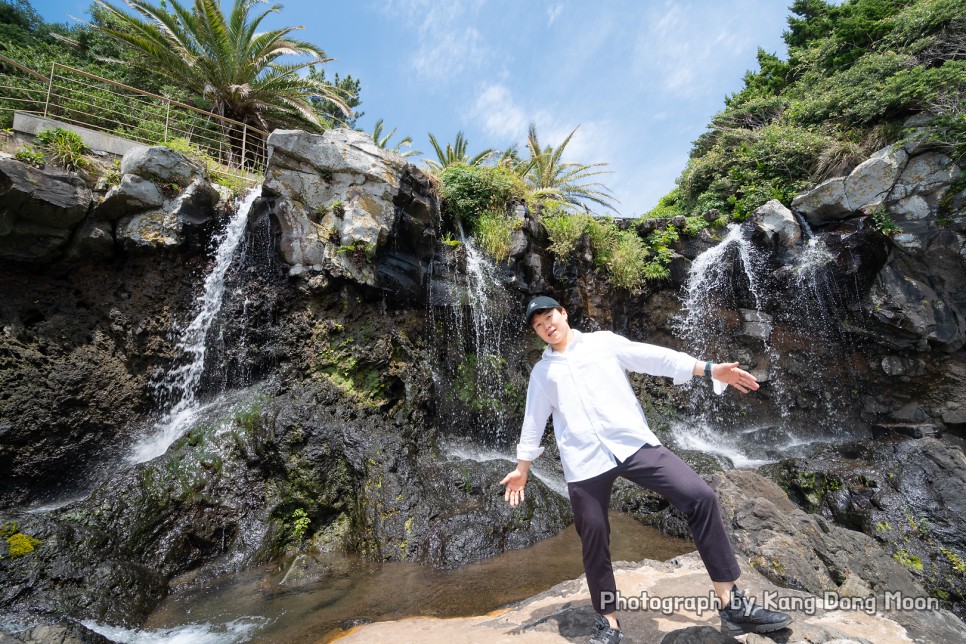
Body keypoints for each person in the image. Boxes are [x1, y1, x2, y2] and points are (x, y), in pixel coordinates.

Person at [500, 296, 792, 643]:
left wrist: (709, 369)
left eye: (550, 317)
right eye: (538, 325)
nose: (547, 326)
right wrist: (522, 469)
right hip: (584, 462)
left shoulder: (603, 344)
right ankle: (609, 625)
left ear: (563, 314)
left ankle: (732, 606)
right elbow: (533, 422)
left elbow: (655, 358)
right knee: (594, 535)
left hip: (634, 445)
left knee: (701, 496)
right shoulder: (542, 373)